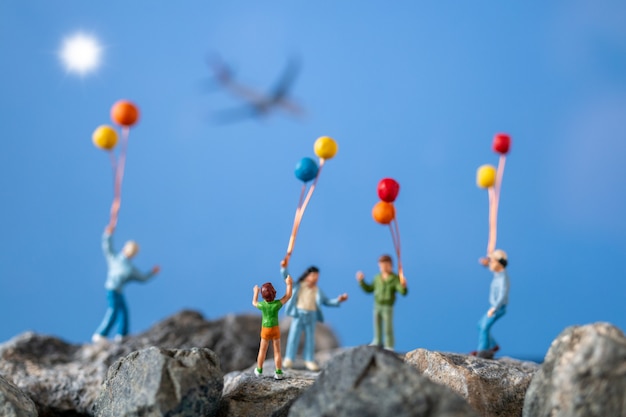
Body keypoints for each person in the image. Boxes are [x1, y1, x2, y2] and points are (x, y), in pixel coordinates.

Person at [92, 225, 160, 343]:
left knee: (124, 312)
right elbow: (108, 247)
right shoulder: (115, 258)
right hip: (112, 288)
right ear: (124, 249)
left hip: (119, 291)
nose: (130, 253)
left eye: (132, 252)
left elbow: (142, 278)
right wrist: (108, 234)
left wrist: (152, 273)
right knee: (113, 311)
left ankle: (123, 335)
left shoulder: (130, 268)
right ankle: (101, 334)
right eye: (129, 250)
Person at [282, 263, 348, 371]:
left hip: (311, 315)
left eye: (317, 277)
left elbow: (326, 301)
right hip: (299, 314)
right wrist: (284, 268)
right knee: (294, 336)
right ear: (307, 275)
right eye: (313, 276)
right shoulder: (298, 286)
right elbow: (287, 279)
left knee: (310, 339)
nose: (315, 279)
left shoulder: (317, 291)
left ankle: (309, 359)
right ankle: (289, 358)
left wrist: (338, 300)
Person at [356, 254, 407, 350]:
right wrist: (361, 281)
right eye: (381, 265)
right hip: (377, 305)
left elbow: (402, 291)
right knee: (377, 325)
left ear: (391, 265)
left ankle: (389, 345)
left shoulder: (395, 279)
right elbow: (369, 289)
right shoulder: (377, 278)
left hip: (388, 307)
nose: (383, 267)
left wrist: (403, 285)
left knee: (388, 328)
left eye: (386, 265)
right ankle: (377, 341)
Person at [252, 269, 293, 380]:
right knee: (277, 351)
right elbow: (288, 296)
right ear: (274, 293)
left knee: (262, 350)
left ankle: (259, 370)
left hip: (265, 329)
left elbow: (254, 303)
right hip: (275, 329)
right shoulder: (276, 305)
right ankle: (278, 372)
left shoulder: (262, 305)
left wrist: (255, 292)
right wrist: (289, 284)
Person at [473, 249, 510, 359]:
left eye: (492, 261)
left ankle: (483, 350)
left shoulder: (503, 278)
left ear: (499, 262)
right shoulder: (497, 274)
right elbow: (490, 265)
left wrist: (494, 308)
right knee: (480, 325)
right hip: (493, 306)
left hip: (498, 307)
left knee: (484, 327)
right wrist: (486, 261)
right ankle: (493, 346)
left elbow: (502, 296)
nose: (491, 263)